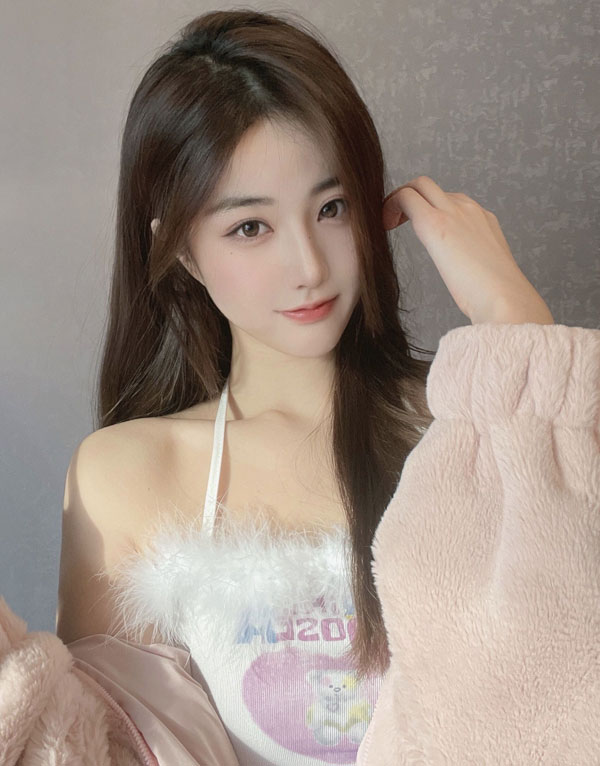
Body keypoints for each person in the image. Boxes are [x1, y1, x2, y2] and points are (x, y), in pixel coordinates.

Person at [53, 8, 599, 766]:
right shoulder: (127, 475)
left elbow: (571, 679)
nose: (309, 265)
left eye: (332, 209)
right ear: (181, 250)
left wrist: (516, 321)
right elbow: (106, 747)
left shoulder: (472, 426)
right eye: (251, 227)